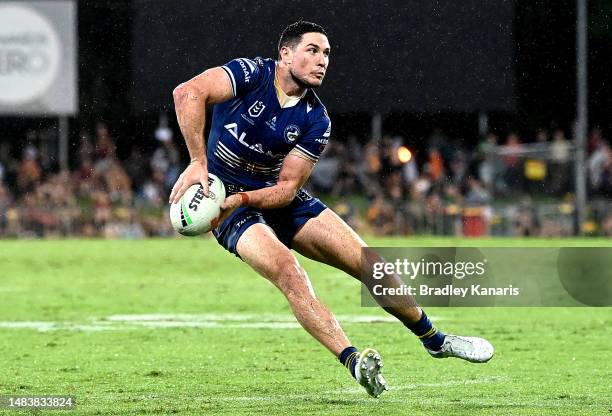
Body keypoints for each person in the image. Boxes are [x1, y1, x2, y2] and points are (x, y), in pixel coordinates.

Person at [169, 21, 494, 398]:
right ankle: (355, 361)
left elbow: (287, 189)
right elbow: (187, 93)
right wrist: (197, 163)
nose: (322, 60)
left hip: (267, 196)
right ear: (285, 54)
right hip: (224, 205)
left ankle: (435, 340)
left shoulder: (316, 119)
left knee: (370, 264)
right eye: (313, 50)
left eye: (326, 54)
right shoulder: (250, 73)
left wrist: (240, 198)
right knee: (289, 273)